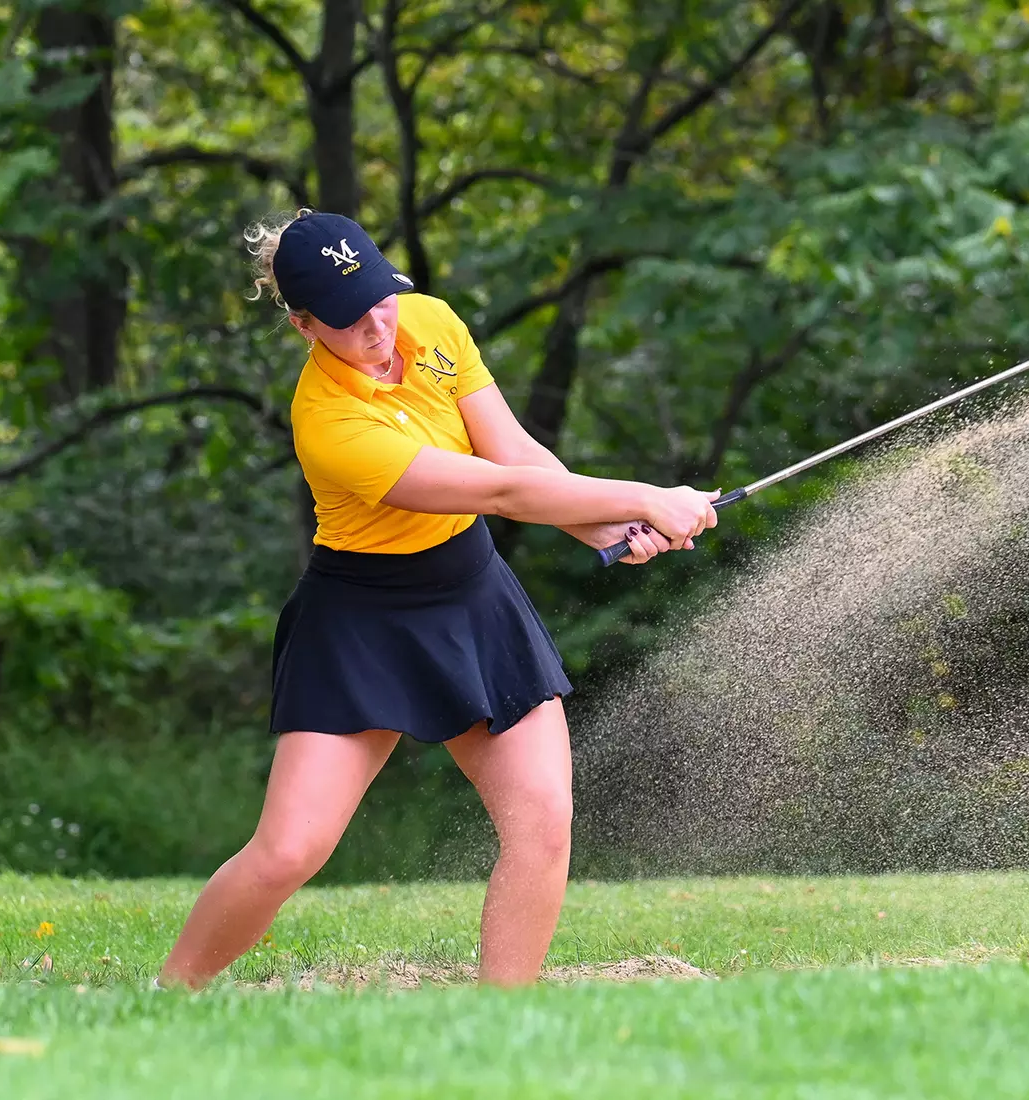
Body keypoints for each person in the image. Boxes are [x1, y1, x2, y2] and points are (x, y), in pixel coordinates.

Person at [157, 210, 718, 989]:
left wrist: (603, 528)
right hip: (361, 618)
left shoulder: (431, 323)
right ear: (303, 324)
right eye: (348, 322)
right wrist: (652, 496)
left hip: (471, 594)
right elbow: (499, 491)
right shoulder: (328, 422)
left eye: (380, 300)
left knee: (542, 822)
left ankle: (501, 1022)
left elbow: (518, 455)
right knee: (289, 850)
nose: (377, 328)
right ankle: (167, 996)